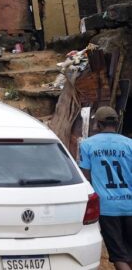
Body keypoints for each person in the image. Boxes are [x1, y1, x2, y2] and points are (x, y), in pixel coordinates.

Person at [79, 106, 132, 270]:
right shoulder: (130, 144)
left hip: (107, 208)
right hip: (130, 205)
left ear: (98, 124)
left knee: (118, 255)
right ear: (116, 124)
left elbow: (86, 177)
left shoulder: (87, 145)